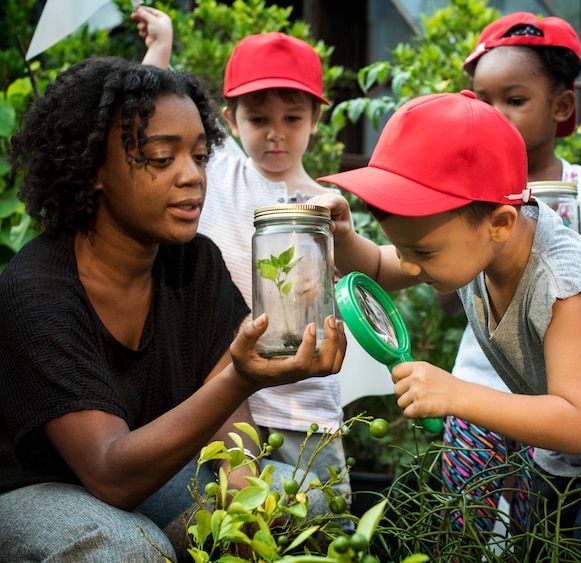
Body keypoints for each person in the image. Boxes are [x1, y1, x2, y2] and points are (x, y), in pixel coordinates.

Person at [0, 57, 346, 562]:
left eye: (201, 157)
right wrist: (242, 377)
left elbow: (232, 428)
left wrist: (250, 502)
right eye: (162, 158)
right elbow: (111, 475)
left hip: (152, 476)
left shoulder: (194, 262)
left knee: (302, 500)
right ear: (93, 168)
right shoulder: (37, 290)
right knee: (126, 548)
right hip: (36, 491)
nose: (192, 177)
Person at [313, 90, 581, 560]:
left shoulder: (562, 286)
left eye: (421, 254)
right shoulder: (469, 242)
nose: (410, 267)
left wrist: (458, 394)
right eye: (404, 250)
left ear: (499, 222)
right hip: (559, 463)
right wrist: (343, 237)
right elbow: (378, 267)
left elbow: (579, 421)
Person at [133, 5, 392, 514]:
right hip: (223, 400)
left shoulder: (324, 208)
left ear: (316, 119)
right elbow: (154, 107)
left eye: (292, 118)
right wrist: (161, 43)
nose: (276, 133)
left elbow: (359, 286)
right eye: (258, 119)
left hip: (305, 404)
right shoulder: (220, 168)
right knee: (227, 522)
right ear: (230, 120)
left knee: (318, 521)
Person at [436, 11, 581, 537]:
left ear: (562, 105)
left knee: (534, 535)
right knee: (462, 531)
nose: (495, 115)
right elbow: (449, 299)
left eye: (514, 100)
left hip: (559, 408)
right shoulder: (467, 198)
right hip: (475, 393)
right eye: (482, 100)